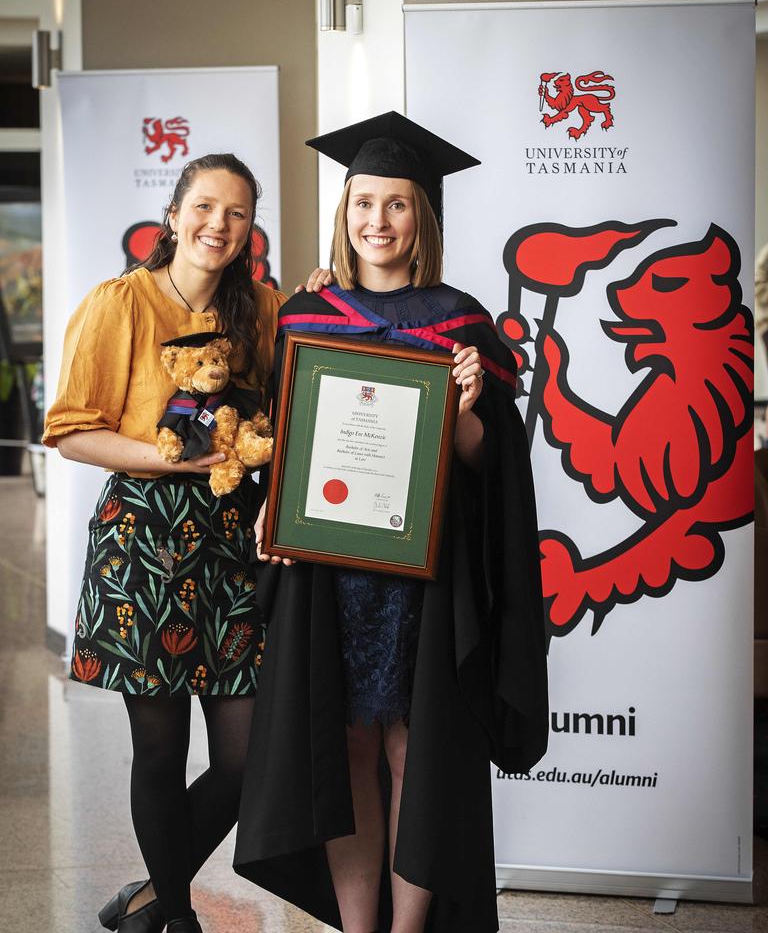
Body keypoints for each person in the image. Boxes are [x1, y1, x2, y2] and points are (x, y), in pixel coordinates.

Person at [233, 113, 549, 933]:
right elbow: (286, 443)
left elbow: (489, 470)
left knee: (418, 752)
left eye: (398, 204)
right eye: (363, 202)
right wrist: (274, 500)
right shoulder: (305, 314)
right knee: (348, 753)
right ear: (344, 212)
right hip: (330, 575)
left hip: (424, 579)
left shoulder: (460, 320)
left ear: (423, 220)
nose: (378, 220)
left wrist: (473, 410)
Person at [43, 154, 286, 933]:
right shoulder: (120, 304)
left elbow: (290, 408)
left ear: (251, 230)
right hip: (142, 538)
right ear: (174, 215)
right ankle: (175, 915)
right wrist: (172, 456)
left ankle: (151, 894)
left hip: (226, 539)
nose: (220, 224)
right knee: (159, 750)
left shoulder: (262, 312)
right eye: (206, 207)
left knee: (246, 759)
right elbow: (70, 431)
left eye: (238, 213)